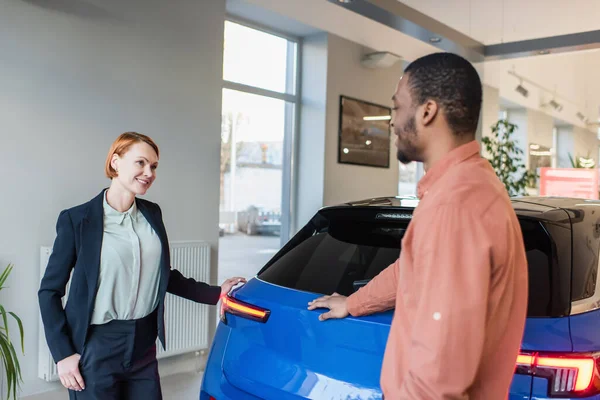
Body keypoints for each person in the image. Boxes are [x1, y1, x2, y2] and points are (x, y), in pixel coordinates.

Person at [308, 53, 528, 399]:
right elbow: (412, 271)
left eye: (397, 107)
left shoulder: (454, 206)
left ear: (427, 111)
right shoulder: (472, 186)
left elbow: (439, 376)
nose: (392, 121)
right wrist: (353, 303)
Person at [38, 132, 246, 399]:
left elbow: (161, 275)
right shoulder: (77, 220)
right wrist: (63, 353)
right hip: (96, 345)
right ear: (115, 162)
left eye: (154, 166)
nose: (149, 172)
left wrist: (216, 292)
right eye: (141, 163)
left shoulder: (151, 213)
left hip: (144, 345)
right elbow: (49, 292)